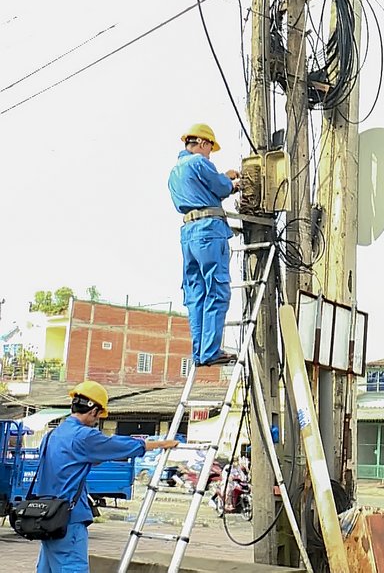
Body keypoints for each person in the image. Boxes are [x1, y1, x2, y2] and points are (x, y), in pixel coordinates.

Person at [35, 380, 178, 573]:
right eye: (98, 416)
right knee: (72, 567)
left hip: (46, 517)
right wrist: (160, 444)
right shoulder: (84, 436)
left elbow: (65, 464)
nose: (97, 421)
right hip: (68, 519)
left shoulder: (52, 435)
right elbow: (119, 445)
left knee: (48, 569)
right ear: (93, 410)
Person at [168, 123, 241, 367]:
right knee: (217, 289)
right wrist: (231, 183)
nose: (210, 153)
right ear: (201, 143)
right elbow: (219, 187)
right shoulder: (199, 162)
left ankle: (200, 353)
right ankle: (210, 351)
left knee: (195, 294)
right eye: (210, 147)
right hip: (208, 231)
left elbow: (204, 190)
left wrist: (224, 179)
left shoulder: (175, 172)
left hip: (188, 234)